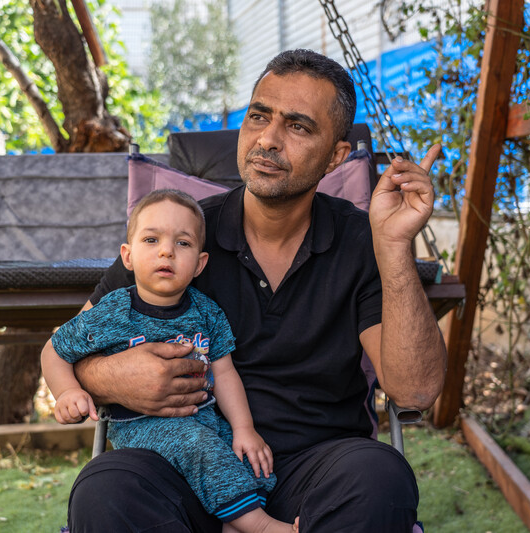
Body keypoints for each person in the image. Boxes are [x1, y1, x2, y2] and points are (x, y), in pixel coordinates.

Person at [41, 48, 447, 533]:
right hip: (185, 465)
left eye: (297, 126)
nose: (268, 140)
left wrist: (396, 246)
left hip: (317, 468)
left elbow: (416, 389)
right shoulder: (181, 236)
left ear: (337, 156)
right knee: (105, 487)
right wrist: (115, 378)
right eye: (258, 116)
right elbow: (71, 347)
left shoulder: (365, 241)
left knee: (380, 477)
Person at [42, 189, 298, 533]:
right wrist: (67, 392)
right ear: (128, 257)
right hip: (141, 426)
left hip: (202, 420)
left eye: (183, 243)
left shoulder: (207, 312)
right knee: (198, 446)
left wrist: (243, 429)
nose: (166, 251)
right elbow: (55, 350)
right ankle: (261, 527)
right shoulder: (114, 312)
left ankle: (231, 524)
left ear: (200, 264)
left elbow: (224, 373)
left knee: (246, 457)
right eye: (151, 239)